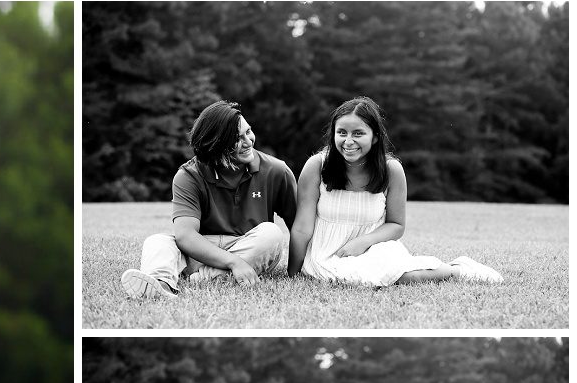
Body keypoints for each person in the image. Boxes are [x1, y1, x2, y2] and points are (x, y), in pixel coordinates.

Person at [291, 97, 503, 287]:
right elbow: (302, 228)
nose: (348, 141)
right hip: (326, 252)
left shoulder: (391, 170)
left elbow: (396, 225)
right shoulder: (317, 166)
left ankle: (458, 269)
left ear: (374, 137)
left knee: (402, 276)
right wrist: (293, 273)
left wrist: (361, 243)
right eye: (341, 133)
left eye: (358, 134)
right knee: (348, 278)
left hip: (373, 247)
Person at [121, 100, 298, 300]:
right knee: (157, 241)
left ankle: (201, 278)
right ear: (215, 144)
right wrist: (233, 263)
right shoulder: (188, 175)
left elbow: (298, 227)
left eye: (248, 132)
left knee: (272, 234)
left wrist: (299, 269)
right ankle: (160, 285)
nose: (248, 141)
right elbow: (186, 236)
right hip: (202, 250)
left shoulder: (277, 171)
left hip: (250, 249)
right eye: (237, 139)